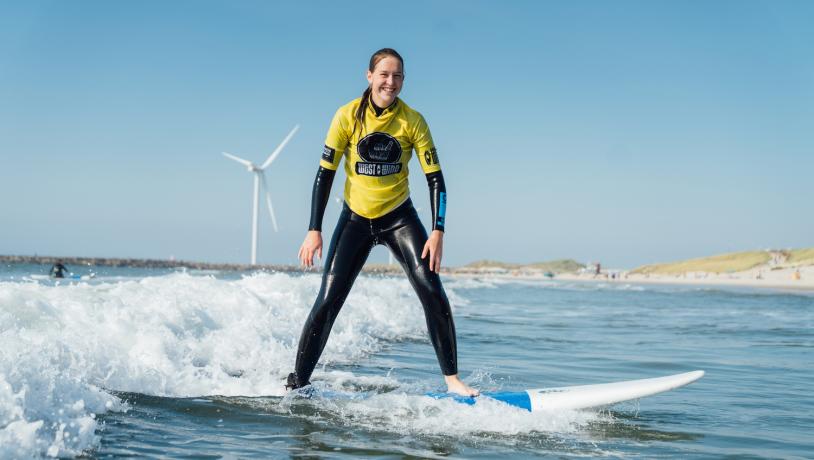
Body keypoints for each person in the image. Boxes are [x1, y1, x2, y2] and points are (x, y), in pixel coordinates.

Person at [288, 48, 478, 397]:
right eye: (385, 75)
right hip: (355, 219)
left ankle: (452, 380)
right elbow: (324, 174)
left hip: (399, 218)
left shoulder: (413, 121)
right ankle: (297, 383)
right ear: (370, 76)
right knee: (328, 300)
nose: (391, 82)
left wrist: (438, 230)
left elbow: (435, 178)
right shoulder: (347, 116)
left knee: (433, 293)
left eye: (398, 76)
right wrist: (314, 228)